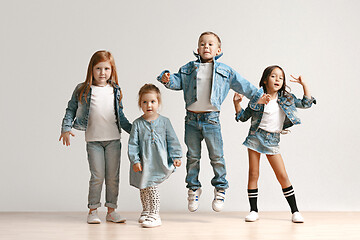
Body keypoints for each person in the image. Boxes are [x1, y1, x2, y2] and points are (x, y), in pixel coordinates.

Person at [157, 31, 266, 212]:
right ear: (198, 49)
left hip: (211, 120)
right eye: (202, 44)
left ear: (218, 50)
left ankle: (220, 188)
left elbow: (244, 85)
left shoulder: (226, 71)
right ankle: (193, 188)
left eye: (210, 44)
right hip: (191, 120)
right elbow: (177, 82)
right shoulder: (189, 68)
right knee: (193, 157)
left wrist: (259, 97)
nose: (206, 47)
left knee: (216, 156)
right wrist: (166, 79)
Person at [233, 65, 316, 223]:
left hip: (273, 140)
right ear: (265, 80)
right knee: (253, 174)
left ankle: (295, 211)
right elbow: (242, 117)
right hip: (255, 137)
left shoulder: (287, 98)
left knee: (282, 175)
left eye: (281, 77)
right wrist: (237, 104)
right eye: (273, 76)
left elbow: (306, 104)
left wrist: (304, 85)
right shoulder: (257, 97)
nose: (278, 79)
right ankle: (253, 210)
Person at [59, 50, 132, 224]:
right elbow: (70, 109)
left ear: (112, 70)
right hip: (93, 141)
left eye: (106, 69)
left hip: (113, 139)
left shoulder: (115, 90)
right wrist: (65, 128)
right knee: (97, 176)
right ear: (91, 69)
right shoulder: (83, 89)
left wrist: (136, 130)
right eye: (98, 68)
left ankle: (111, 210)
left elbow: (120, 116)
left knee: (113, 177)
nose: (102, 73)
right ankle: (93, 210)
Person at [128, 84, 182, 228]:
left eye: (152, 101)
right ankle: (146, 210)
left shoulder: (165, 122)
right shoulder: (137, 124)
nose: (149, 105)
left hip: (157, 161)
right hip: (143, 162)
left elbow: (172, 140)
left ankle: (155, 214)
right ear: (140, 104)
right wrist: (135, 160)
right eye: (144, 102)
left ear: (158, 103)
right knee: (143, 187)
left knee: (152, 186)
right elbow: (132, 144)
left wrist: (176, 156)